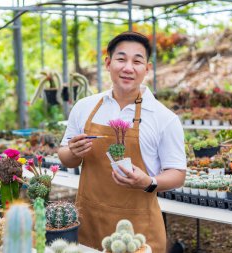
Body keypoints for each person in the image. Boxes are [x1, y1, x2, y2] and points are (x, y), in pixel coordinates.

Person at [58, 31, 186, 252]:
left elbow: (178, 173)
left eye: (137, 61)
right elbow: (65, 158)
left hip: (139, 230)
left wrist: (149, 182)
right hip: (89, 220)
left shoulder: (164, 118)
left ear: (148, 68)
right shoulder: (85, 107)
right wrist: (73, 152)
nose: (128, 67)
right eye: (121, 59)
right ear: (108, 63)